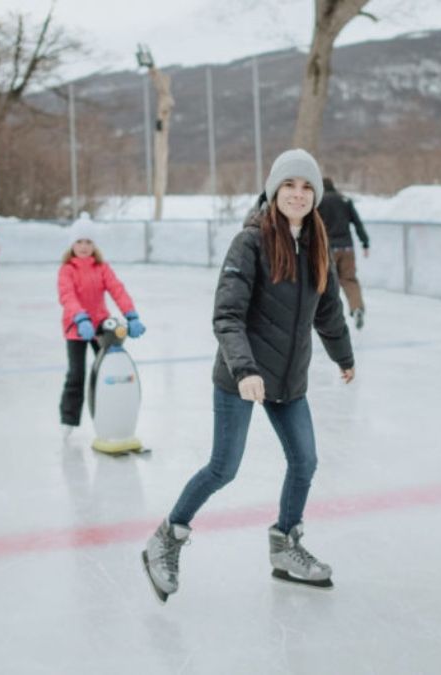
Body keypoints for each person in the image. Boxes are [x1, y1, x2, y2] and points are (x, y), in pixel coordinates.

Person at [142, 149, 355, 602]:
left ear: (315, 195)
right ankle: (165, 537)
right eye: (289, 186)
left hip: (289, 381)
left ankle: (285, 546)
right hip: (242, 375)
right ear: (274, 190)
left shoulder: (317, 245)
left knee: (305, 461)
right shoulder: (251, 242)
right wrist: (244, 369)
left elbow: (329, 311)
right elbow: (227, 316)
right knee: (224, 468)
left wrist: (344, 356)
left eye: (305, 187)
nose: (297, 195)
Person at [57, 217, 146, 439]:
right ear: (72, 245)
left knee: (109, 371)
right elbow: (67, 296)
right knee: (76, 374)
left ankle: (110, 412)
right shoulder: (67, 270)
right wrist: (80, 318)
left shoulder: (102, 268)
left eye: (88, 242)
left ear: (94, 245)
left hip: (100, 328)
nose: (84, 246)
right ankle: (69, 420)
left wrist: (131, 315)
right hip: (76, 328)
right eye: (79, 242)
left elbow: (117, 290)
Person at [317, 177, 369, 329]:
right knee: (349, 280)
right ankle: (357, 307)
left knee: (324, 282)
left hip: (328, 249)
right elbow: (357, 223)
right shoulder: (345, 201)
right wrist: (365, 242)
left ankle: (325, 317)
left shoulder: (319, 203)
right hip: (347, 248)